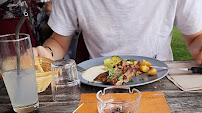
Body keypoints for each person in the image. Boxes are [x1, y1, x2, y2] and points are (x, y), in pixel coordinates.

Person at [33, 0, 202, 65]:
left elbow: (195, 39)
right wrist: (46, 53)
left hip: (160, 80)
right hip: (98, 81)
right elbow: (59, 41)